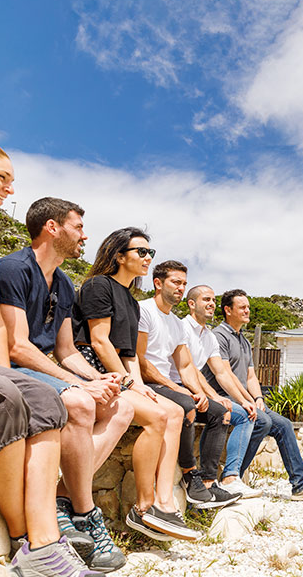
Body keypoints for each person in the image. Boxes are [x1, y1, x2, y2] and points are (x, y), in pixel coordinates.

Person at [0, 132, 102, 577]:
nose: (10, 187)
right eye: (2, 176)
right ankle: (27, 539)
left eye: (13, 179)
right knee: (4, 399)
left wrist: (6, 377)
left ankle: (46, 544)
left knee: (42, 400)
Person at [0, 197, 133, 572]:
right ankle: (86, 514)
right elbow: (15, 346)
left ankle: (58, 498)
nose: (85, 236)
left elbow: (66, 350)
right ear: (52, 228)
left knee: (121, 407)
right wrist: (79, 386)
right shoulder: (12, 269)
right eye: (78, 227)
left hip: (36, 367)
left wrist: (98, 378)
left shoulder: (66, 283)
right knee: (82, 405)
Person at [72, 228, 198, 541]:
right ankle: (143, 507)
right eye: (140, 252)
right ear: (118, 255)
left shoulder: (130, 300)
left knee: (174, 412)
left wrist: (138, 384)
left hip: (119, 373)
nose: (147, 258)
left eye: (149, 253)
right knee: (157, 417)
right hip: (93, 370)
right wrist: (130, 383)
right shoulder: (98, 286)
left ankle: (165, 502)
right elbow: (100, 343)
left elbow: (129, 354)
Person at [202, 289, 303, 502]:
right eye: (242, 307)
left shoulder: (243, 340)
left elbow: (251, 376)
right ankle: (231, 479)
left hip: (244, 397)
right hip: (224, 395)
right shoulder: (219, 336)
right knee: (261, 420)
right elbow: (227, 376)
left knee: (284, 425)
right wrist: (246, 401)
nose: (247, 310)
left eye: (248, 307)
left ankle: (301, 486)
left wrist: (259, 398)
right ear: (227, 310)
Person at [136, 262, 240, 509]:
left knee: (220, 412)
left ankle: (207, 482)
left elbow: (185, 367)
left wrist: (198, 391)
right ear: (158, 283)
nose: (181, 288)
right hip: (147, 382)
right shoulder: (144, 310)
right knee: (186, 406)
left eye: (184, 283)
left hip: (168, 384)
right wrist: (179, 390)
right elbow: (139, 360)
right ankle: (189, 475)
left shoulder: (175, 323)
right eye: (176, 282)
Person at [182, 285, 261, 499]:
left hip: (198, 389)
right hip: (181, 387)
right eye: (206, 299)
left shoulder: (208, 335)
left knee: (240, 413)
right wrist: (215, 397)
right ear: (191, 304)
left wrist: (245, 400)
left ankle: (214, 481)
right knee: (222, 411)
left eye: (213, 300)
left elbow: (222, 373)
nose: (211, 304)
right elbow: (188, 369)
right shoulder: (183, 328)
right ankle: (218, 480)